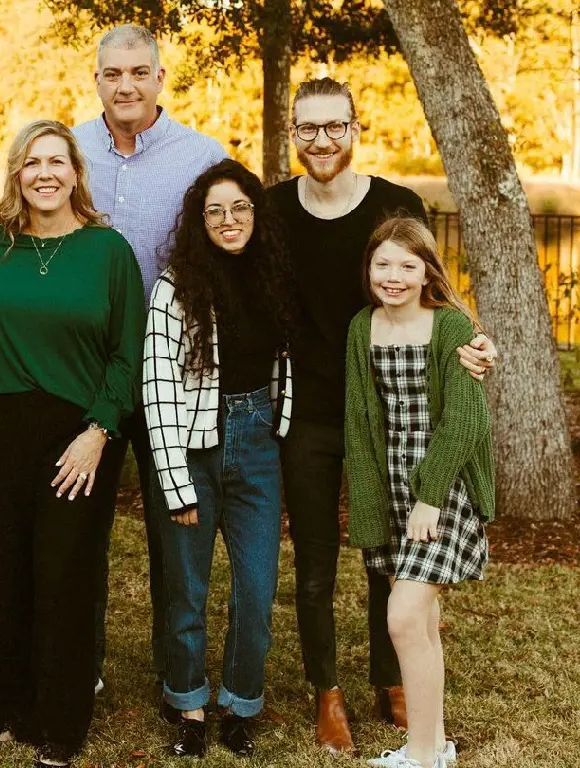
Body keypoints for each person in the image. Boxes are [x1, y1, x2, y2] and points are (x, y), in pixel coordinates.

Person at [267, 77, 496, 753]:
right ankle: (326, 692)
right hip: (309, 410)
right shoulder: (274, 208)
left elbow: (434, 292)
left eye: (333, 126)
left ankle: (392, 679)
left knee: (387, 556)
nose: (321, 140)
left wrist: (478, 343)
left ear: (355, 126)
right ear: (293, 134)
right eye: (306, 128)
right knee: (314, 561)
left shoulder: (396, 204)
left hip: (395, 418)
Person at [0, 119, 145, 767]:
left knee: (66, 571)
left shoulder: (108, 251)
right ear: (16, 173)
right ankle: (0, 702)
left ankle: (60, 722)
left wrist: (99, 431)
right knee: (1, 565)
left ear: (75, 173)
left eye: (57, 162)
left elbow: (128, 355)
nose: (44, 173)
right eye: (32, 162)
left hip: (79, 434)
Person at [73, 23, 229, 690]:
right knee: (80, 526)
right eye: (113, 74)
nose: (126, 85)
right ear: (98, 80)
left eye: (139, 72)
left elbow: (227, 259)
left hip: (176, 378)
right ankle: (85, 661)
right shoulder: (70, 150)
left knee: (177, 530)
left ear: (160, 78)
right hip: (88, 376)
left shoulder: (202, 157)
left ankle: (179, 670)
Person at [143, 159, 296, 757]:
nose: (229, 221)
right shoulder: (175, 289)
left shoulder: (274, 276)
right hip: (191, 445)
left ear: (256, 213)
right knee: (188, 589)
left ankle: (239, 702)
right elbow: (156, 392)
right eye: (215, 212)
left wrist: (276, 427)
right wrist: (176, 485)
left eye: (239, 208)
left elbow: (288, 363)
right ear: (198, 222)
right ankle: (189, 705)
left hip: (257, 440)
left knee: (256, 589)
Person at [345, 217, 494, 768]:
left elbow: (465, 420)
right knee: (421, 622)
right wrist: (369, 508)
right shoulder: (363, 327)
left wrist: (430, 494)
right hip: (390, 490)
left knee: (403, 617)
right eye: (382, 264)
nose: (394, 276)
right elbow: (359, 425)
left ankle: (421, 754)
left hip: (443, 485)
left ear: (427, 270)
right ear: (369, 269)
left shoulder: (452, 327)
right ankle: (435, 747)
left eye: (408, 266)